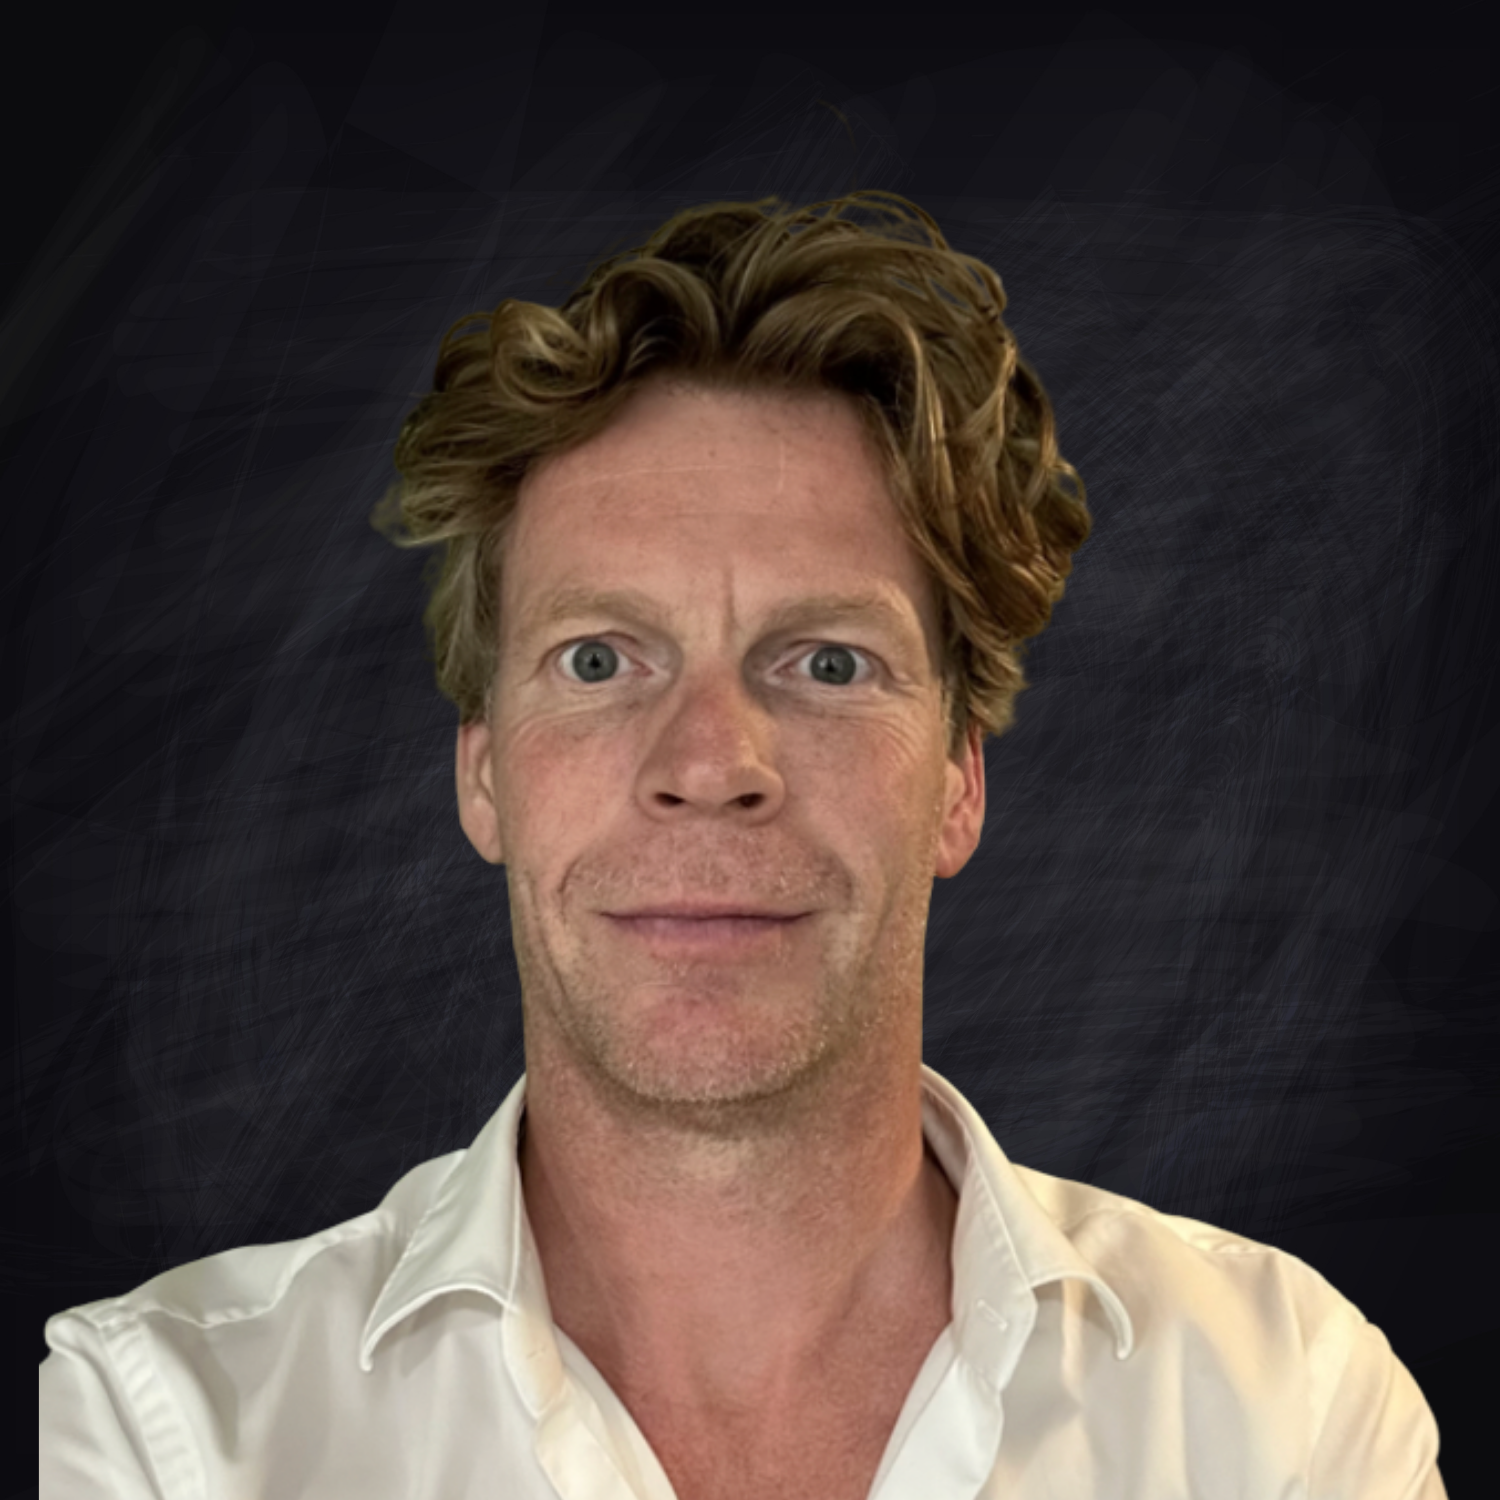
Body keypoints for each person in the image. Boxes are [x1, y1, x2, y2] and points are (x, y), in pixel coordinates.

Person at [40, 191, 1445, 1499]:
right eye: (600, 659)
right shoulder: (165, 1435)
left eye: (827, 664)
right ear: (483, 776)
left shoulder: (1283, 1411)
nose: (711, 766)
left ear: (959, 780)